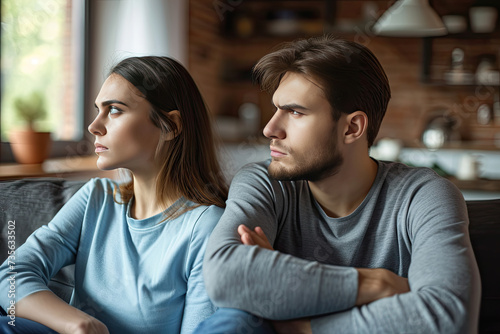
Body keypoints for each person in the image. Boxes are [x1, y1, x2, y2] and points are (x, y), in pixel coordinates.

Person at [197, 36, 481, 334]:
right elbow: (225, 278)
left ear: (352, 127)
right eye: (276, 109)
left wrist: (303, 326)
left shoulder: (422, 196)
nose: (270, 128)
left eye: (295, 112)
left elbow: (449, 318)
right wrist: (375, 284)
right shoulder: (264, 183)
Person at [0, 56, 228, 334]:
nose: (94, 126)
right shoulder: (96, 198)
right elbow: (11, 274)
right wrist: (78, 324)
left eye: (115, 110)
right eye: (98, 109)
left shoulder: (205, 228)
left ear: (171, 126)